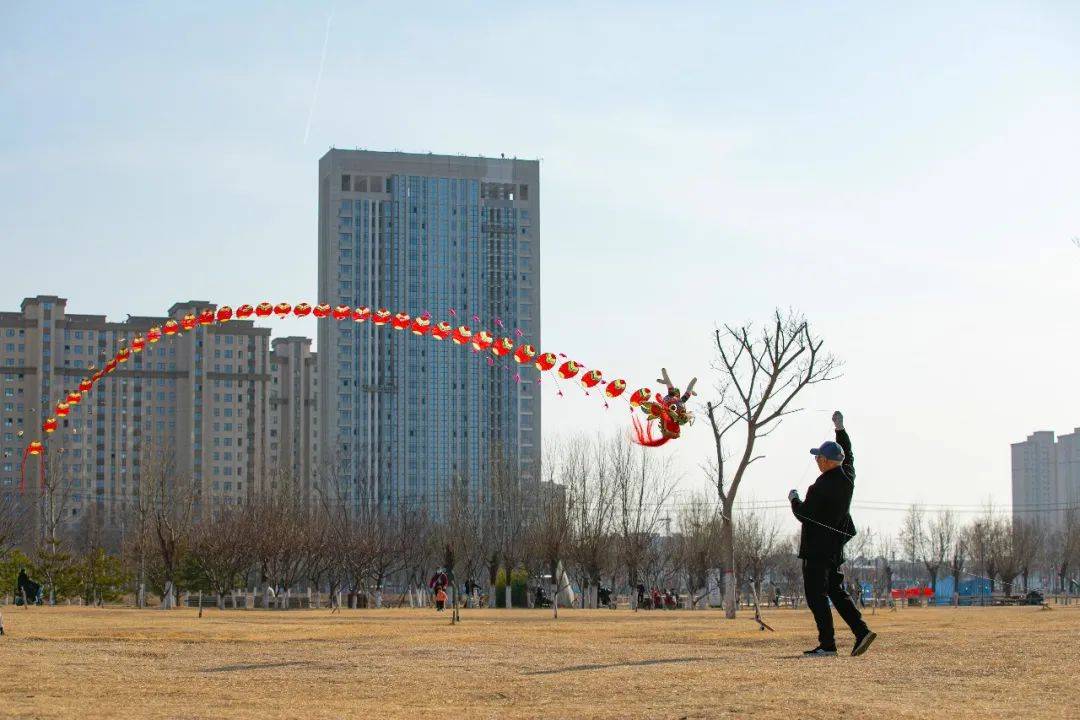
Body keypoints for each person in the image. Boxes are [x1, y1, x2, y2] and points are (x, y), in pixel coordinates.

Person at [789, 411, 877, 658]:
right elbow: (848, 454)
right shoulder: (848, 477)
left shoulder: (820, 486)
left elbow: (804, 514)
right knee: (836, 592)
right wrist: (840, 429)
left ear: (828, 462)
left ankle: (827, 644)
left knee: (816, 596)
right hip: (835, 550)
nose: (817, 461)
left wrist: (794, 499)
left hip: (816, 551)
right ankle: (861, 631)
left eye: (820, 458)